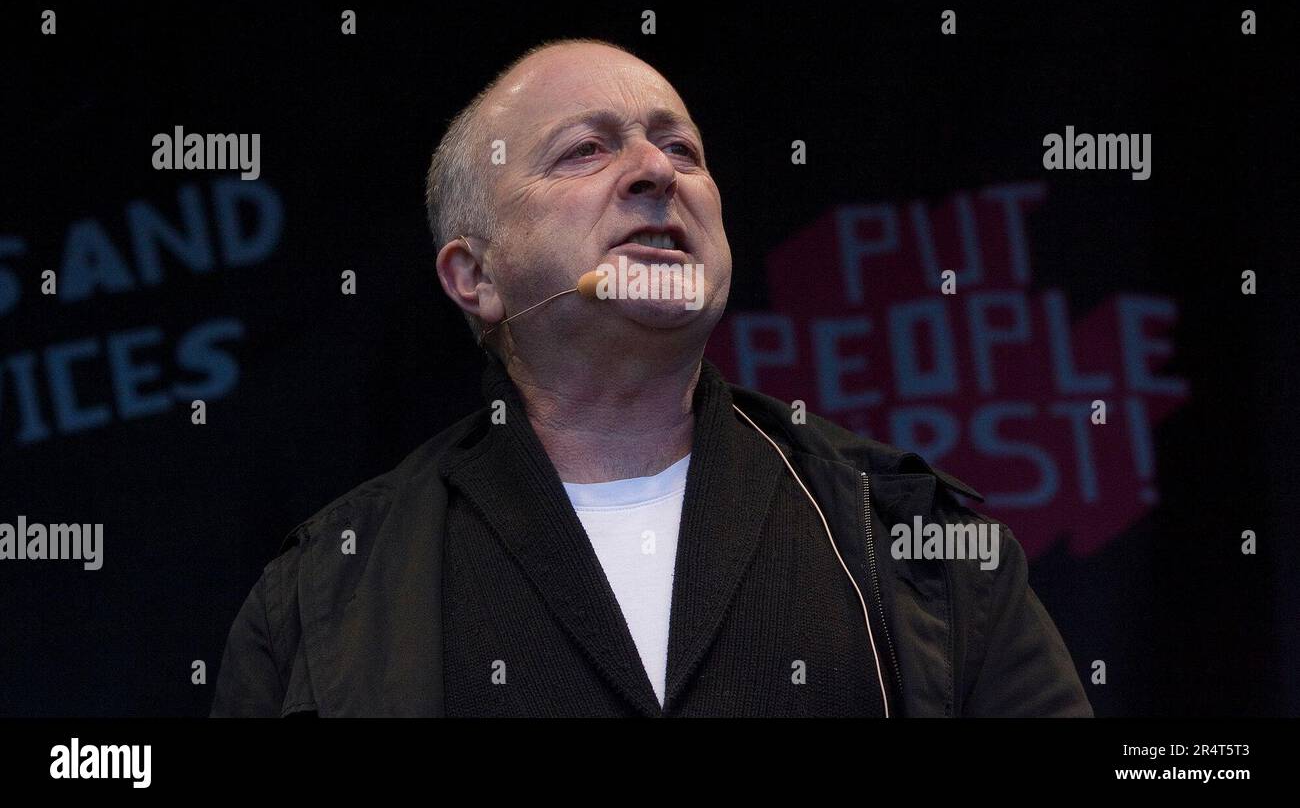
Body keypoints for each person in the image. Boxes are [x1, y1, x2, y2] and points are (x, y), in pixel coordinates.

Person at [210, 37, 1093, 717]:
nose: (656, 171)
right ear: (473, 276)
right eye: (585, 151)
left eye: (683, 148)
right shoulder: (328, 592)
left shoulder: (907, 536)